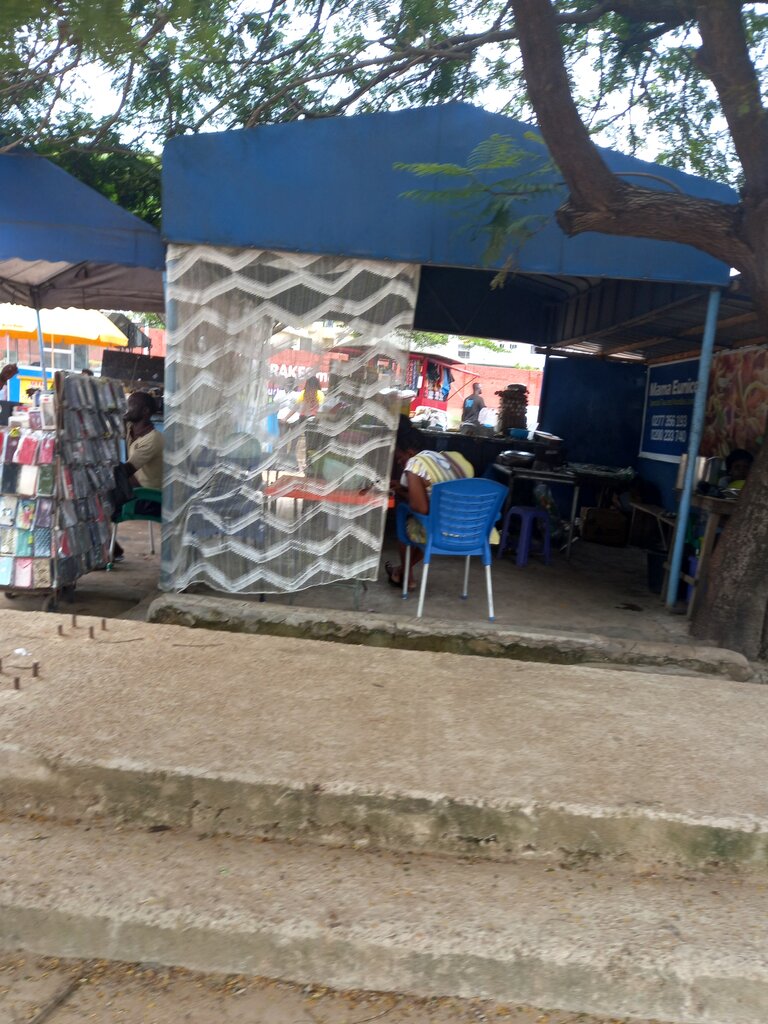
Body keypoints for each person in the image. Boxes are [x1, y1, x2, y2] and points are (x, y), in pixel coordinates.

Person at [385, 446, 474, 591]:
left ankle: (407, 576)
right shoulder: (451, 458)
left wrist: (401, 493)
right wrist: (402, 488)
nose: (401, 465)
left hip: (439, 533)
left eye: (400, 459)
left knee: (405, 515)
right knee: (426, 520)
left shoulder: (414, 463)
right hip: (468, 532)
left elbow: (422, 508)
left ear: (410, 452)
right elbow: (433, 493)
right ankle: (400, 571)